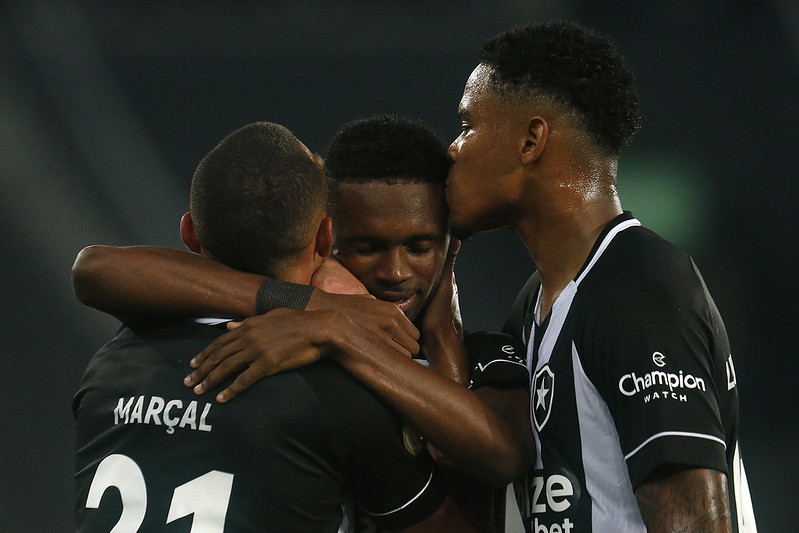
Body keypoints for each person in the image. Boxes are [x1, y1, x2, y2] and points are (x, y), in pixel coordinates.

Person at [73, 116, 533, 532]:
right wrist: (320, 312)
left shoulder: (489, 360)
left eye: (419, 246)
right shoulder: (314, 379)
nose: (395, 272)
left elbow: (500, 457)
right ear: (326, 237)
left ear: (450, 246)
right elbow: (95, 269)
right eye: (368, 247)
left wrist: (355, 331)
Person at [444, 20, 757, 532]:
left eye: (468, 125)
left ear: (531, 140)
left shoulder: (638, 288)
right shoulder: (533, 307)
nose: (454, 148)